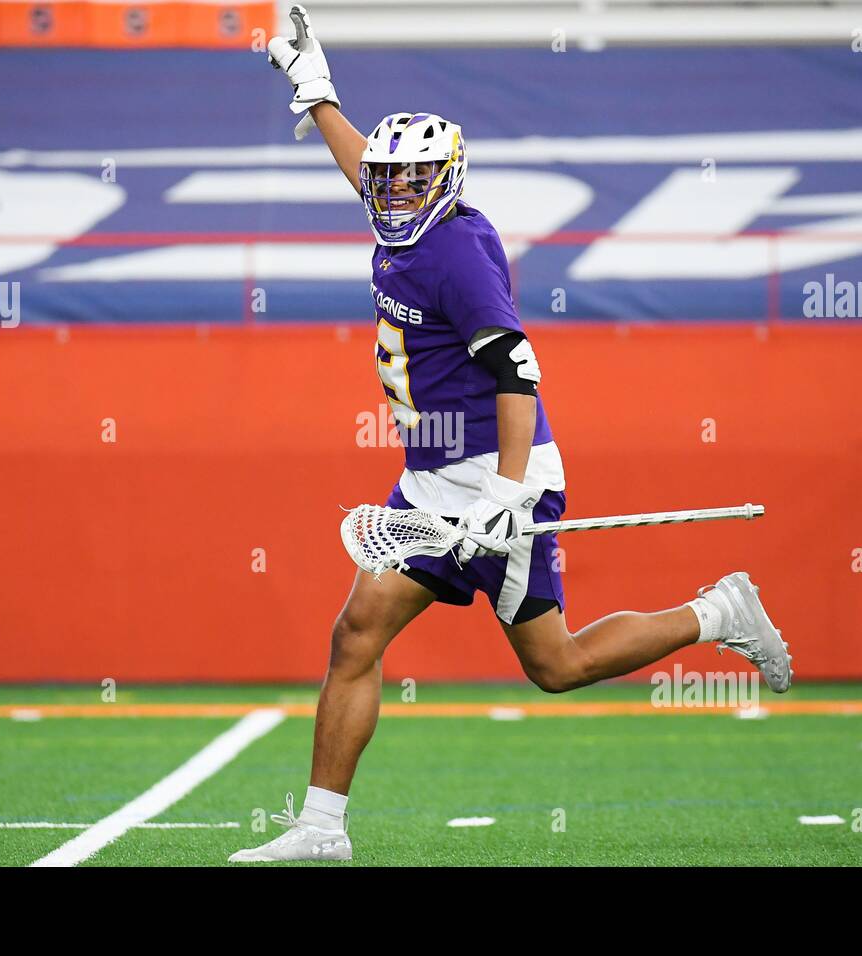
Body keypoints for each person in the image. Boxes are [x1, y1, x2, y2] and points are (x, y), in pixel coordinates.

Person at [229, 6, 791, 863]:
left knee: (555, 665)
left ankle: (717, 611)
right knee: (356, 637)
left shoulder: (457, 253)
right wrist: (318, 94)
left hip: (500, 474)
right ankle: (320, 829)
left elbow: (519, 375)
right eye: (387, 179)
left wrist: (502, 493)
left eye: (410, 180)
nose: (390, 191)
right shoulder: (401, 221)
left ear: (446, 181)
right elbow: (362, 171)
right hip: (427, 483)